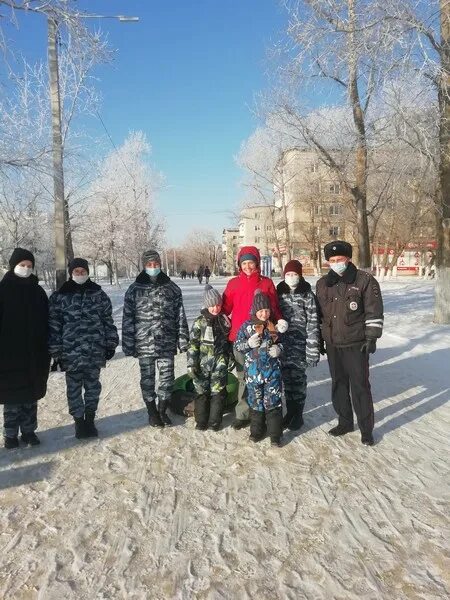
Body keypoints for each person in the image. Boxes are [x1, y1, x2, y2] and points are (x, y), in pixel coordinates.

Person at [316, 241, 384, 446]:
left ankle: (366, 429)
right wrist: (320, 338)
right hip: (333, 344)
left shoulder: (364, 280)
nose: (336, 263)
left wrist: (371, 337)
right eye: (332, 261)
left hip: (356, 343)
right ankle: (345, 422)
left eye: (340, 260)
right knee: (338, 385)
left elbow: (374, 310)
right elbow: (319, 315)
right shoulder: (322, 284)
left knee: (360, 386)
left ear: (348, 259)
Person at [48, 258, 119, 439]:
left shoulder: (98, 294)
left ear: (87, 272)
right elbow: (54, 326)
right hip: (70, 352)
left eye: (83, 271)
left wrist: (111, 343)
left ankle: (90, 419)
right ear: (71, 273)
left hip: (94, 350)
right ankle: (79, 422)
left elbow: (107, 321)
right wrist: (56, 351)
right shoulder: (60, 296)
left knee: (93, 387)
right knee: (73, 389)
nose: (80, 274)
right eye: (76, 271)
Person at [122, 249, 189, 427]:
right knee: (147, 379)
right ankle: (152, 412)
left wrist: (183, 339)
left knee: (167, 380)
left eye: (156, 264)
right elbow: (128, 318)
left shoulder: (172, 288)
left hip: (166, 342)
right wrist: (128, 343)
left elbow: (180, 316)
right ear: (144, 266)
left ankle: (162, 410)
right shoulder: (134, 289)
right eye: (149, 265)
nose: (153, 267)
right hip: (144, 344)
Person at [222, 246, 286, 430]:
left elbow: (274, 307)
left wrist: (280, 321)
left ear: (257, 263)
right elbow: (225, 310)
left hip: (264, 338)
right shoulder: (233, 284)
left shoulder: (266, 283)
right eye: (244, 263)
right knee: (244, 377)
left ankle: (267, 411)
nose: (248, 266)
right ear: (239, 265)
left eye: (251, 262)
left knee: (267, 377)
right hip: (241, 339)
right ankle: (243, 413)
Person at [0, 248, 50, 449]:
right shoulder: (2, 290)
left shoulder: (37, 291)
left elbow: (47, 320)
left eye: (29, 266)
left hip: (34, 352)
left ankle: (29, 431)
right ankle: (10, 434)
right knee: (12, 397)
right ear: (14, 266)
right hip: (8, 353)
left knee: (30, 395)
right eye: (22, 265)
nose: (26, 269)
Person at [234, 290, 283, 446]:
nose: (264, 313)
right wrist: (247, 344)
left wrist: (280, 349)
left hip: (272, 373)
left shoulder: (273, 326)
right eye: (261, 310)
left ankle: (275, 435)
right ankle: (257, 431)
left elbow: (284, 343)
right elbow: (237, 345)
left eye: (267, 310)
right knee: (256, 402)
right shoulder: (246, 327)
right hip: (253, 374)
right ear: (255, 310)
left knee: (273, 402)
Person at [277, 260, 320, 430]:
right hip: (283, 345)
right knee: (287, 380)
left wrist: (312, 349)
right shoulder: (279, 292)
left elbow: (313, 323)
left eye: (294, 274)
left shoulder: (307, 294)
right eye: (288, 274)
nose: (291, 277)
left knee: (299, 380)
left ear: (300, 275)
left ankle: (298, 415)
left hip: (301, 345)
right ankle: (290, 412)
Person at [187, 284, 231, 431]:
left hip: (219, 362)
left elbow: (229, 340)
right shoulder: (199, 322)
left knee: (217, 392)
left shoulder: (224, 321)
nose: (216, 308)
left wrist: (228, 357)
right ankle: (201, 421)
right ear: (206, 305)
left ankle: (214, 421)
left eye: (218, 305)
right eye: (212, 306)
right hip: (202, 363)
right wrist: (191, 363)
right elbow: (193, 344)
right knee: (201, 392)